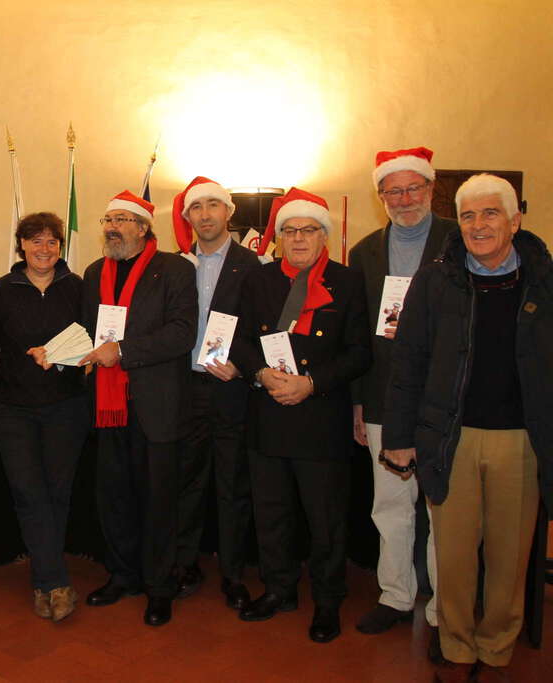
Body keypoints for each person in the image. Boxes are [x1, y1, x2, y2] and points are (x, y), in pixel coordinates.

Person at [383, 174, 553, 682]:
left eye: (490, 213)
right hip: (450, 439)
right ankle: (456, 647)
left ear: (515, 220)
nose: (478, 225)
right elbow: (408, 361)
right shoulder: (436, 281)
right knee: (454, 556)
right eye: (468, 216)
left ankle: (496, 648)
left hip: (521, 441)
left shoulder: (544, 280)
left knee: (509, 556)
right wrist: (399, 438)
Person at [232, 188, 370, 643]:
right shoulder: (259, 280)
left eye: (307, 230)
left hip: (321, 418)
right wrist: (260, 374)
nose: (297, 238)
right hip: (268, 413)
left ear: (323, 235)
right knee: (271, 514)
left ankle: (328, 601)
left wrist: (311, 383)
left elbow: (360, 353)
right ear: (278, 238)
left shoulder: (348, 282)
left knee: (325, 520)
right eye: (289, 231)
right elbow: (240, 340)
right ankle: (279, 589)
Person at [348, 147, 457, 641]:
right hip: (383, 396)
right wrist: (358, 401)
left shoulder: (458, 239)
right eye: (393, 191)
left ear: (431, 190)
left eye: (413, 188)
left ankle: (443, 606)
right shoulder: (364, 252)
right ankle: (394, 595)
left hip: (445, 398)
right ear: (381, 197)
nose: (404, 199)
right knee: (389, 503)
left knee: (442, 507)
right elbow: (356, 335)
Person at [77, 190, 197, 627]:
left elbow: (182, 333)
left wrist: (123, 352)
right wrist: (56, 352)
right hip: (108, 406)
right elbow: (86, 331)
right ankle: (122, 575)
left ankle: (160, 587)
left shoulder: (176, 269)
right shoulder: (95, 272)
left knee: (158, 502)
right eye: (108, 219)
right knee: (114, 497)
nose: (112, 227)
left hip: (157, 407)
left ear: (144, 228)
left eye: (122, 220)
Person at [0, 212, 89, 622]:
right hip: (12, 410)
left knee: (57, 494)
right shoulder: (3, 290)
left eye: (52, 241)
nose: (44, 249)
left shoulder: (77, 287)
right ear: (22, 245)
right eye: (35, 240)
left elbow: (92, 342)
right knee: (29, 494)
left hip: (66, 408)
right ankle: (54, 582)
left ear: (60, 247)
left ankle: (45, 582)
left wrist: (60, 356)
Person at [170, 177, 260, 609]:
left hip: (231, 389)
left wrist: (242, 365)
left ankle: (233, 574)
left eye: (213, 205)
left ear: (229, 212)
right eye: (196, 208)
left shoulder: (254, 265)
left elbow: (263, 326)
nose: (204, 215)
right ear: (187, 217)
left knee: (231, 485)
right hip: (185, 389)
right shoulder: (175, 265)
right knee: (185, 483)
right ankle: (184, 565)